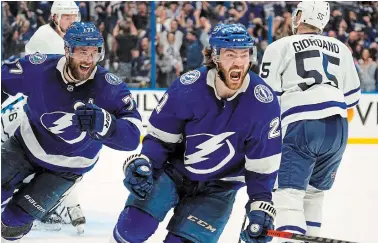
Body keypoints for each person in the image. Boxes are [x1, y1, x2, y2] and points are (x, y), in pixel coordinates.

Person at [110, 23, 281, 243]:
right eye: (230, 55)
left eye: (244, 54)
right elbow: (160, 141)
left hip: (220, 188)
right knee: (131, 229)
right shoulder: (187, 88)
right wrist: (146, 167)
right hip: (173, 173)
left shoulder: (263, 103)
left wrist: (261, 207)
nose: (239, 61)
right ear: (214, 57)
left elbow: (262, 167)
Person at [1, 22, 142, 242]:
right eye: (82, 52)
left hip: (67, 168)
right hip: (26, 145)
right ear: (67, 51)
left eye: (94, 53)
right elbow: (3, 80)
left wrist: (106, 125)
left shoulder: (110, 87)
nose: (88, 59)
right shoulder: (40, 68)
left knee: (12, 225)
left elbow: (133, 136)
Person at [259, 1, 361, 242]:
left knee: (288, 194)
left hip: (302, 122)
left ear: (301, 16)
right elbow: (352, 98)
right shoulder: (342, 49)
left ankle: (290, 237)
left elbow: (266, 97)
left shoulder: (279, 46)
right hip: (338, 127)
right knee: (315, 194)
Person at [1, 1, 87, 233]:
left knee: (68, 152)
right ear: (54, 18)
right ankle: (51, 205)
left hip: (48, 105)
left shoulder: (75, 40)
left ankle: (53, 202)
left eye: (74, 17)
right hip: (32, 105)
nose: (71, 22)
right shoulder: (45, 37)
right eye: (66, 17)